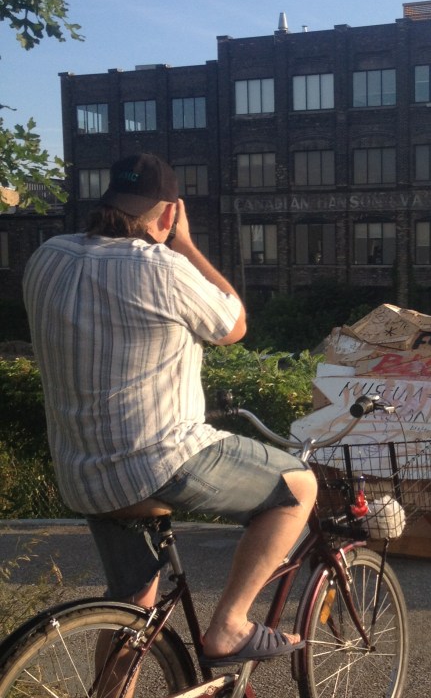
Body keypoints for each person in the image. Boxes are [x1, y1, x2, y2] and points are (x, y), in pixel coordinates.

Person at [23, 153, 317, 671]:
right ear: (167, 213)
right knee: (299, 486)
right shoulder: (162, 267)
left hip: (82, 471)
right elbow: (233, 324)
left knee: (131, 607)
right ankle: (229, 627)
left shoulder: (48, 256)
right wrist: (185, 243)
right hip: (160, 461)